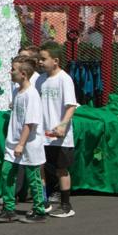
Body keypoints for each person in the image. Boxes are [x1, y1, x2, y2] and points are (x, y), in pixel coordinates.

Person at [0, 58, 47, 223]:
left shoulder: (32, 95)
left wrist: (21, 144)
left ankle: (39, 210)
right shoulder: (16, 92)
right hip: (13, 141)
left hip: (29, 144)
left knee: (33, 177)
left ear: (23, 74)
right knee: (7, 172)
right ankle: (8, 209)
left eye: (13, 69)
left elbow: (30, 123)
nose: (10, 72)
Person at [36, 41, 78, 218]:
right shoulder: (40, 79)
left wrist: (62, 125)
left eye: (43, 59)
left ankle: (66, 206)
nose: (40, 62)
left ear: (56, 61)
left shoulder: (64, 79)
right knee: (40, 167)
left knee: (62, 170)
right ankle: (43, 203)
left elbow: (71, 106)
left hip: (61, 137)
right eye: (39, 59)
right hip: (42, 134)